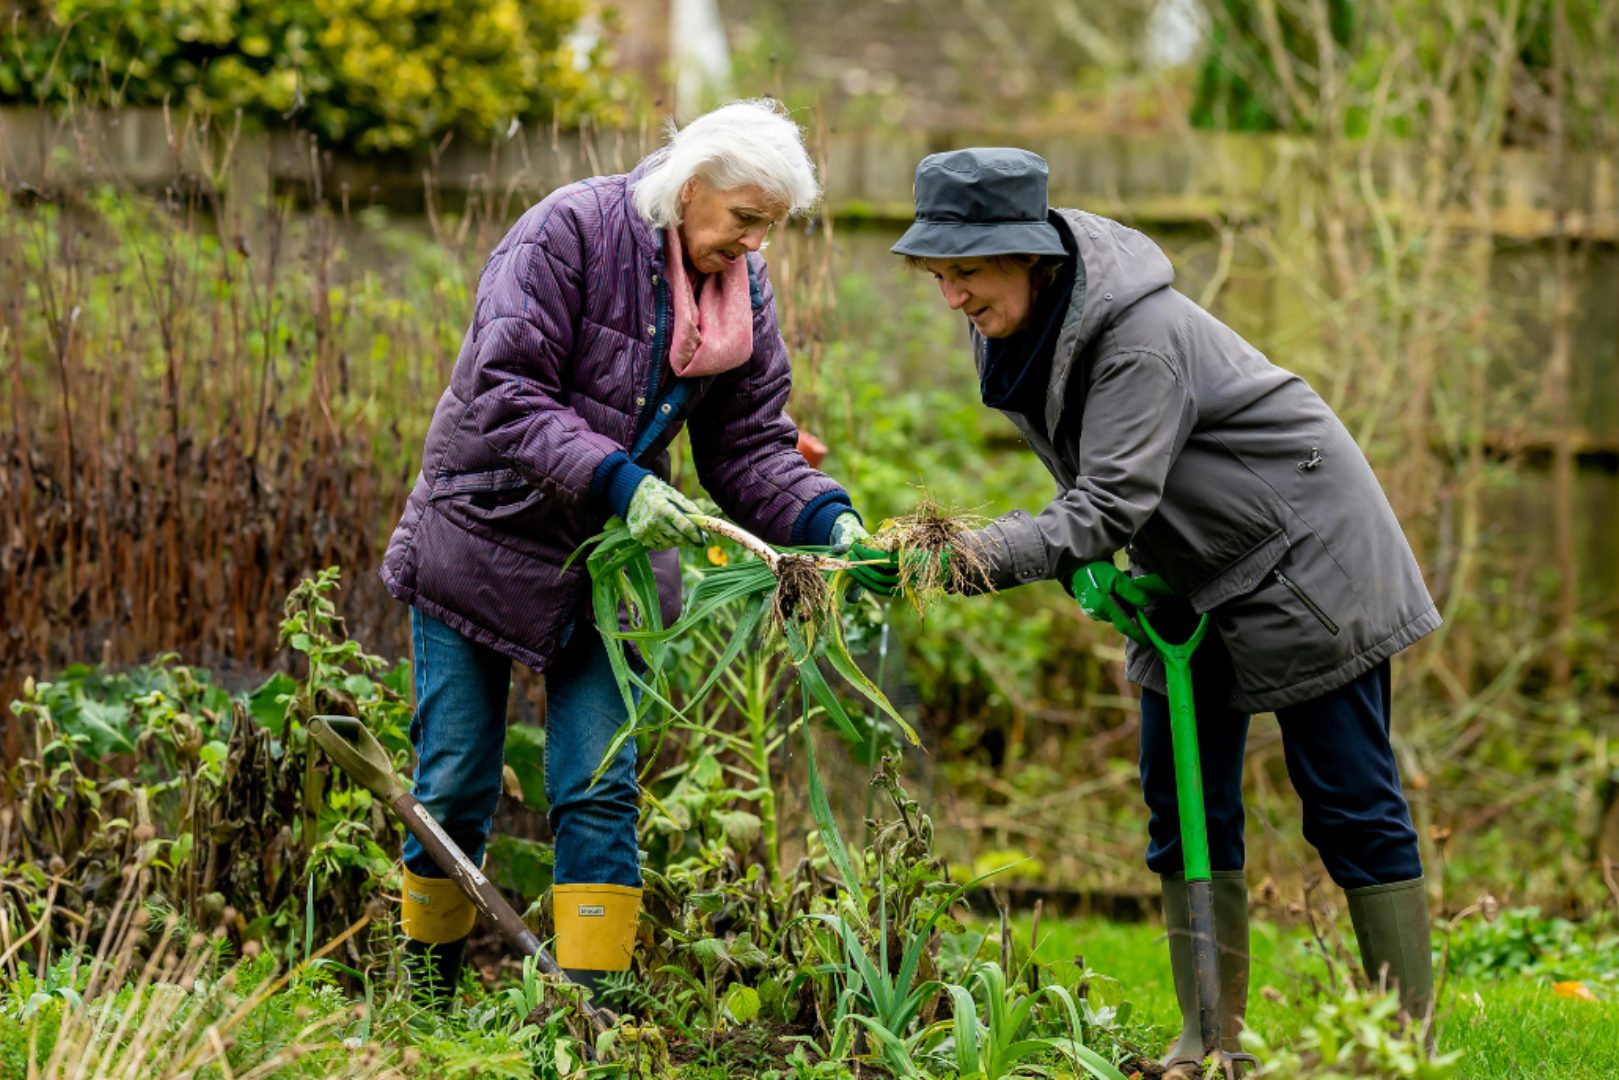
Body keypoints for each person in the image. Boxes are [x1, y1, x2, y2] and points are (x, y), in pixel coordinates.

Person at [849, 148, 1439, 1060]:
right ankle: (1207, 1041)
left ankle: (1402, 1045)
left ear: (1028, 255)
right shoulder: (1017, 325)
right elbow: (1096, 483)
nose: (950, 297)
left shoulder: (1137, 336)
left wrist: (968, 556)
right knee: (1182, 800)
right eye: (937, 275)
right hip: (1189, 572)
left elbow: (1108, 500)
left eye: (964, 272)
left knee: (1346, 801)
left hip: (1306, 559)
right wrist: (1083, 563)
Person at [379, 100, 868, 999]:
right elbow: (504, 388)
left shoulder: (737, 290)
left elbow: (749, 446)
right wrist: (622, 480)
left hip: (610, 562)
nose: (755, 247)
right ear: (689, 189)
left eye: (770, 228)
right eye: (744, 221)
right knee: (453, 781)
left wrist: (826, 518)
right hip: (483, 532)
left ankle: (586, 1017)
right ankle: (427, 999)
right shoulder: (567, 232)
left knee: (597, 784)